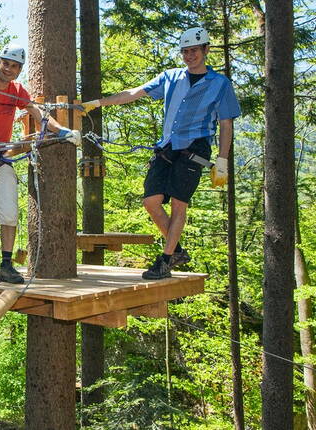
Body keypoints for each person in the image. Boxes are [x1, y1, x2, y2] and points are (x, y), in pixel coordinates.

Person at [78, 27, 240, 279]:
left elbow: (226, 123)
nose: (190, 56)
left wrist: (222, 160)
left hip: (193, 149)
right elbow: (133, 93)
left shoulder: (219, 84)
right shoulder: (171, 78)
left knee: (178, 205)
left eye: (194, 50)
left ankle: (165, 260)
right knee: (150, 201)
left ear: (206, 50)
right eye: (185, 52)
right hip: (166, 147)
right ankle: (176, 250)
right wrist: (97, 103)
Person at [0, 44, 74, 284]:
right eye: (6, 63)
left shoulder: (17, 91)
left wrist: (63, 132)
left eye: (15, 66)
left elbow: (39, 116)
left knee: (9, 210)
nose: (9, 69)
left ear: (19, 70)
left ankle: (6, 265)